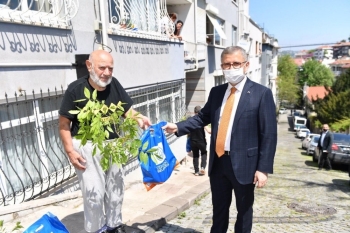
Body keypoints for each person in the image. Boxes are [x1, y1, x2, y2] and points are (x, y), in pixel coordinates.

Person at [163, 46, 277, 233]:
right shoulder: (217, 92)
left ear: (246, 65)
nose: (231, 68)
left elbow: (269, 134)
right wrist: (178, 126)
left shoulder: (261, 93)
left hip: (245, 165)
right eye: (226, 64)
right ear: (222, 67)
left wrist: (263, 169)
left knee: (244, 213)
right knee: (219, 212)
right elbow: (202, 118)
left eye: (236, 64)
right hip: (219, 163)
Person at [58, 50, 151, 233]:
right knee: (94, 194)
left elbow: (127, 110)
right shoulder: (75, 89)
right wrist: (70, 151)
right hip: (87, 148)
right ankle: (97, 229)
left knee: (116, 191)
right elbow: (63, 124)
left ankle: (114, 225)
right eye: (102, 67)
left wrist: (139, 118)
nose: (107, 72)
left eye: (110, 68)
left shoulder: (114, 84)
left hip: (113, 146)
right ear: (89, 65)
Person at [190, 106, 210, 176]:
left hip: (193, 141)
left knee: (195, 155)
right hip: (201, 141)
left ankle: (196, 171)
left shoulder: (190, 120)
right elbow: (209, 131)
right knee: (204, 153)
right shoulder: (201, 120)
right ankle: (202, 167)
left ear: (194, 112)